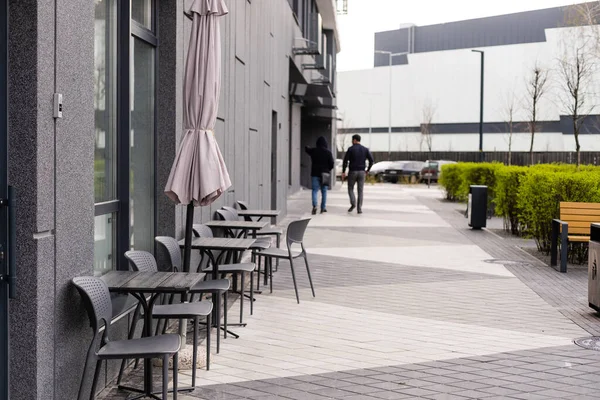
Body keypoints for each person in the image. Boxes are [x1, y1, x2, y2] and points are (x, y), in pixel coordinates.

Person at [342, 134, 373, 214]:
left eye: (352, 140)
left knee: (350, 188)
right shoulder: (365, 149)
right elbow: (371, 160)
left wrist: (343, 171)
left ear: (355, 140)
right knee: (360, 191)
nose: (352, 141)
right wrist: (367, 170)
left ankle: (353, 203)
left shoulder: (351, 149)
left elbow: (345, 161)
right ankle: (359, 209)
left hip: (353, 171)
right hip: (362, 172)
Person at [305, 136, 334, 215]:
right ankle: (323, 208)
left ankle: (314, 206)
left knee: (315, 190)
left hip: (315, 173)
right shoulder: (328, 152)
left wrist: (306, 146)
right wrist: (327, 170)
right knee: (324, 191)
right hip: (325, 174)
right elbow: (332, 164)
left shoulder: (314, 151)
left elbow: (307, 149)